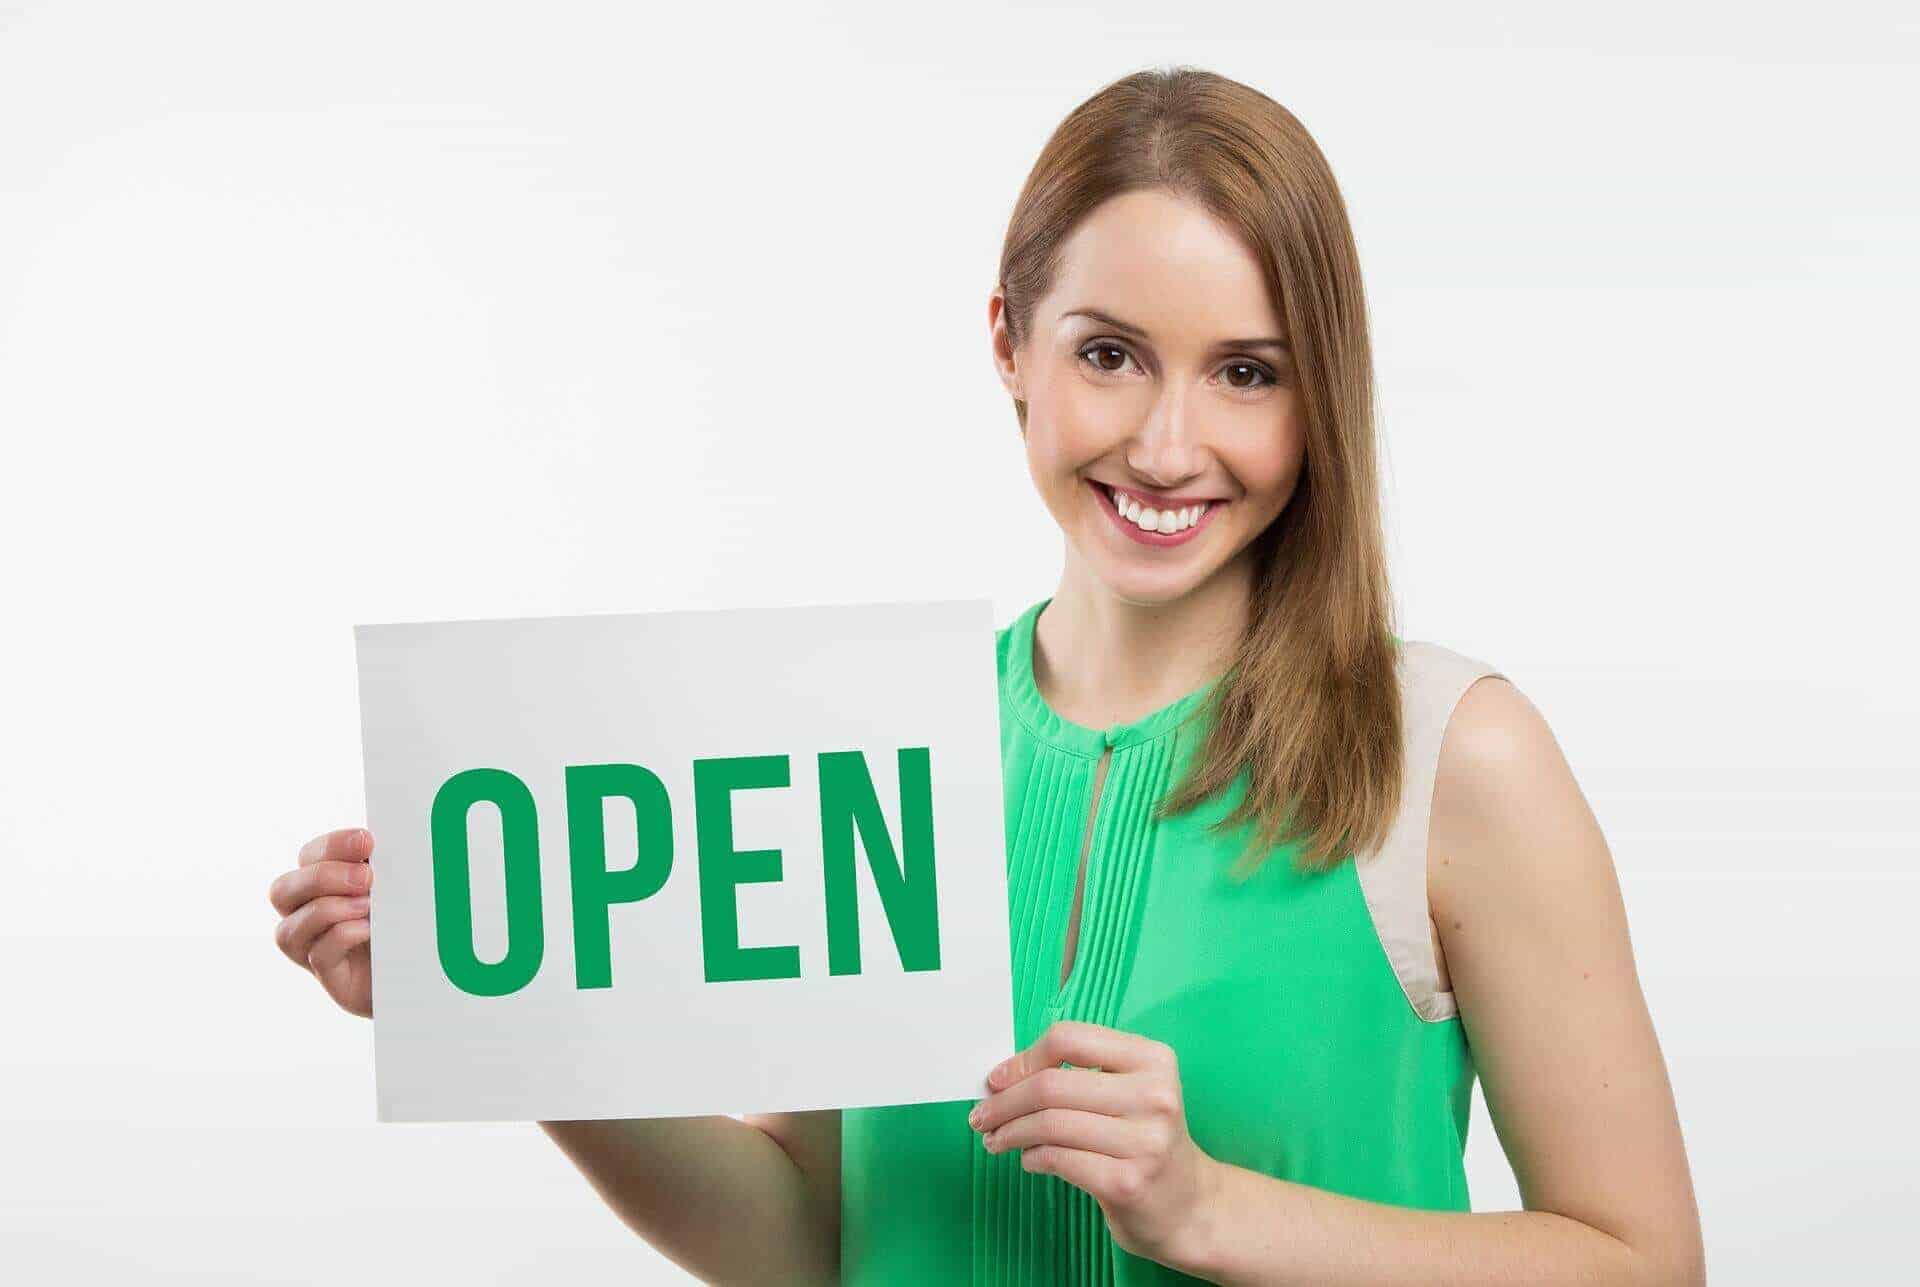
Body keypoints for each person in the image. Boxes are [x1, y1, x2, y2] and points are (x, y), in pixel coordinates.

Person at [267, 66, 1704, 1286]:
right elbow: (808, 1237)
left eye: (1248, 373)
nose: (1164, 443)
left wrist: (1211, 1210)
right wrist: (503, 1013)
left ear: (1323, 391)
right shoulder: (878, 741)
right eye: (1111, 355)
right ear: (1011, 345)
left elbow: (1645, 1263)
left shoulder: (1455, 756)